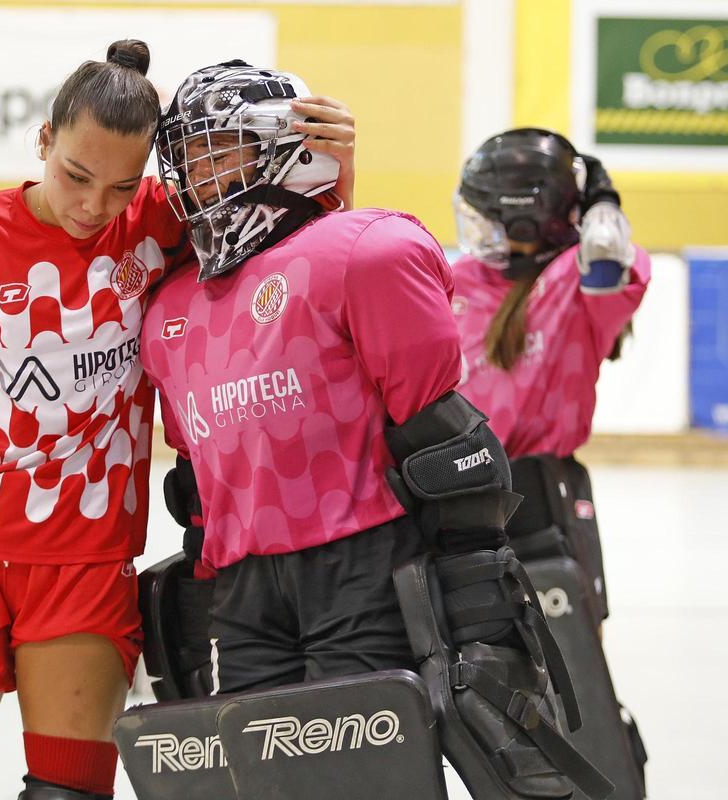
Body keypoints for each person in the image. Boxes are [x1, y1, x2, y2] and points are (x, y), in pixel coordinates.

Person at [0, 42, 357, 800]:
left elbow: (304, 254)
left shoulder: (162, 224)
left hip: (86, 562)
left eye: (123, 186)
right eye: (76, 175)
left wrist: (334, 162)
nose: (95, 206)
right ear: (43, 141)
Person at [138, 62, 605, 799]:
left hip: (362, 564)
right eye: (188, 155)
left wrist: (475, 583)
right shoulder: (166, 309)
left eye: (217, 148)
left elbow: (440, 433)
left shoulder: (368, 251)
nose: (196, 174)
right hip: (243, 587)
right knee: (266, 786)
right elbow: (198, 477)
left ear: (282, 150)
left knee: (364, 784)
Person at [450, 127, 651, 795]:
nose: (473, 228)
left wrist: (600, 199)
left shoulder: (576, 284)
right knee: (482, 682)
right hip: (460, 495)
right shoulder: (456, 278)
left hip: (544, 495)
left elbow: (618, 260)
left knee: (569, 677)